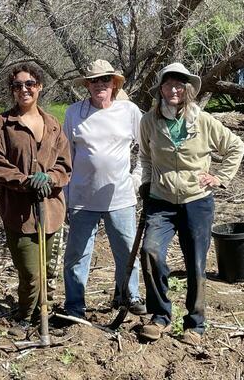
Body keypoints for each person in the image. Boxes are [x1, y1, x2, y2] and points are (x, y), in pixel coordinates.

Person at [137, 62, 244, 345]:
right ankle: (160, 316)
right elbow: (146, 156)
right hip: (161, 201)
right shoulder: (149, 120)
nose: (174, 90)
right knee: (150, 252)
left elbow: (235, 146)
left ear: (187, 90)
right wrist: (146, 184)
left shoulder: (203, 121)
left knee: (196, 263)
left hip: (197, 202)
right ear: (160, 89)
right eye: (169, 85)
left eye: (179, 85)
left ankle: (195, 324)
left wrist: (219, 177)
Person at [0, 63, 71, 334]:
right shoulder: (2, 124)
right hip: (19, 211)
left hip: (50, 208)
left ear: (39, 87)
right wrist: (25, 181)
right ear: (12, 90)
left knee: (48, 271)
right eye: (17, 85)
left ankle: (41, 315)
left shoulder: (53, 125)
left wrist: (51, 178)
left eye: (30, 84)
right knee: (31, 274)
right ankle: (24, 316)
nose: (24, 89)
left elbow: (64, 164)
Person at [62, 59, 146, 319]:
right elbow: (66, 156)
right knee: (77, 254)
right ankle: (75, 305)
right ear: (87, 85)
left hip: (120, 196)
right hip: (82, 197)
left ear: (114, 83)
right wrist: (65, 196)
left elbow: (147, 150)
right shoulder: (74, 113)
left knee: (127, 249)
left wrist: (137, 178)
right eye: (94, 80)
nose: (100, 85)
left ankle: (128, 295)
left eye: (105, 80)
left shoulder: (129, 111)